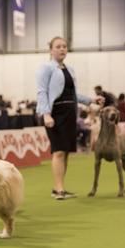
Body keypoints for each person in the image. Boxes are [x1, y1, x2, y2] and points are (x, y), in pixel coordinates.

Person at [36, 37, 94, 201]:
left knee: (66, 152)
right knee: (59, 151)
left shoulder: (70, 69)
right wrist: (46, 114)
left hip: (70, 113)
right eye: (58, 46)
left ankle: (59, 187)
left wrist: (90, 100)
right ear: (51, 50)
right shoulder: (46, 68)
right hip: (55, 113)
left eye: (64, 46)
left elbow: (73, 94)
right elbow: (42, 92)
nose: (62, 49)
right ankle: (59, 190)